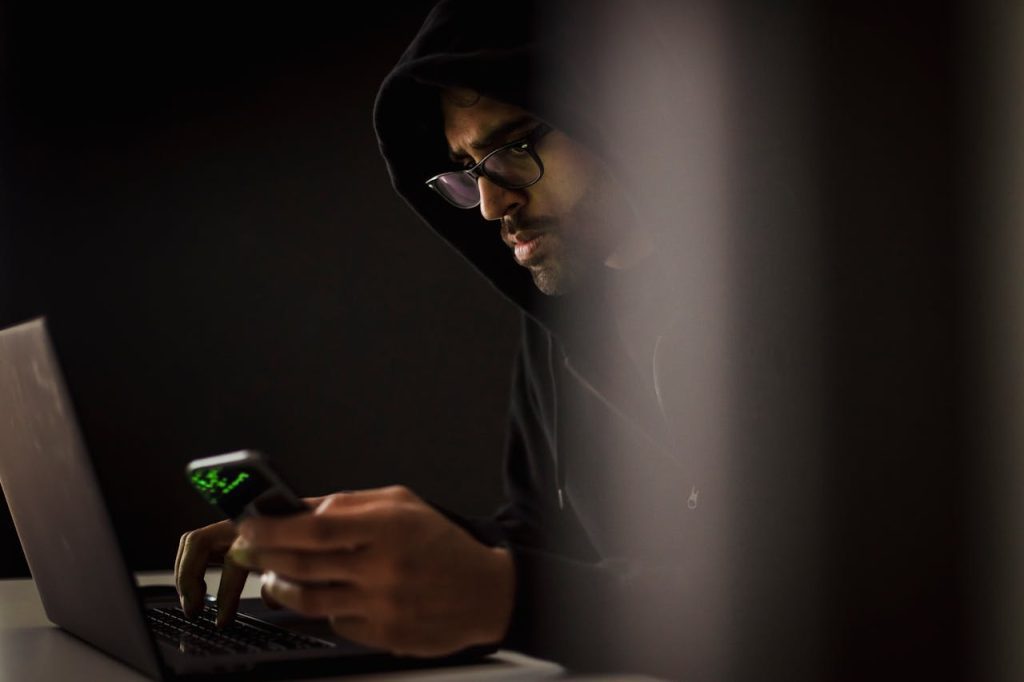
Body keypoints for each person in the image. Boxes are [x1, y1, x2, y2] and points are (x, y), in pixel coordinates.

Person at [176, 2, 761, 679]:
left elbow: (840, 591)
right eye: (468, 166)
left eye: (515, 145)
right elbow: (543, 539)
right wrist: (349, 543)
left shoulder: (800, 310)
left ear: (625, 116)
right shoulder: (564, 323)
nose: (490, 204)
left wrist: (504, 596)